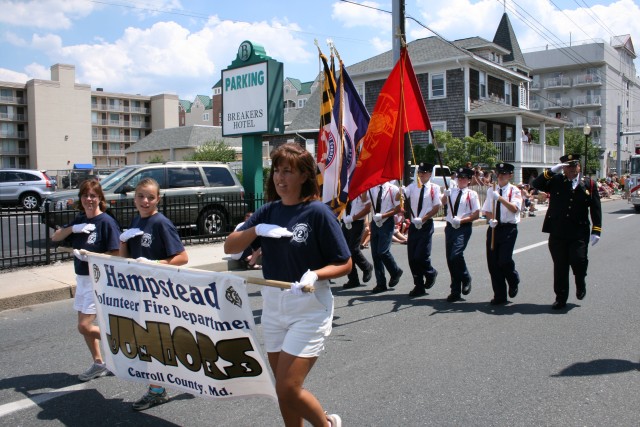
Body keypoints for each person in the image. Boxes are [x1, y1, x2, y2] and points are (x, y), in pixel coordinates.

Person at [223, 143, 350, 427]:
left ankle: (326, 425)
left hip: (308, 306)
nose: (280, 178)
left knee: (287, 388)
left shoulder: (317, 212)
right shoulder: (267, 212)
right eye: (277, 171)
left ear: (304, 176)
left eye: (288, 172)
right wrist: (256, 229)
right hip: (272, 306)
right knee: (283, 389)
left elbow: (345, 262)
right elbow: (230, 245)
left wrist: (316, 274)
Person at [119, 177, 189, 411]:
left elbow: (182, 257)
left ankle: (157, 391)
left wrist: (154, 263)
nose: (145, 200)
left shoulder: (161, 223)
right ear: (134, 198)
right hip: (140, 292)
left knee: (152, 343)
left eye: (150, 197)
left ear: (158, 198)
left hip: (159, 294)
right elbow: (125, 259)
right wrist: (122, 241)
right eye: (141, 196)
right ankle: (189, 371)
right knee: (153, 342)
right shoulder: (137, 220)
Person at [52, 179, 121, 382]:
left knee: (84, 326)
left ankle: (120, 342)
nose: (89, 199)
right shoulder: (80, 220)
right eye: (85, 196)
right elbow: (56, 237)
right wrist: (73, 229)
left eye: (93, 196)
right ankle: (99, 363)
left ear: (100, 198)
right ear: (80, 199)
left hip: (98, 281)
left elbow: (117, 254)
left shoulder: (106, 222)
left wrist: (90, 256)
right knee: (84, 327)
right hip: (82, 279)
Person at [531, 154, 602, 310]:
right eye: (567, 166)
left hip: (579, 232)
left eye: (573, 166)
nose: (571, 169)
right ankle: (561, 298)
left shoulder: (589, 184)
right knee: (560, 266)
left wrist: (596, 230)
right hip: (558, 231)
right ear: (563, 169)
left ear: (579, 167)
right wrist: (551, 171)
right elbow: (536, 183)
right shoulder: (556, 181)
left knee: (579, 260)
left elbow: (595, 208)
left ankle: (580, 281)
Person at [482, 163, 522, 305]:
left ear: (510, 175)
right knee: (493, 264)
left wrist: (500, 198)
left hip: (508, 229)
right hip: (494, 228)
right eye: (499, 173)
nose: (500, 176)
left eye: (504, 173)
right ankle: (500, 295)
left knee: (504, 260)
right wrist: (490, 219)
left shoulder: (514, 191)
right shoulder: (491, 189)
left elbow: (515, 209)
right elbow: (487, 209)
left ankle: (513, 279)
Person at [442, 167, 480, 302]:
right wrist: (445, 196)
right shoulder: (451, 191)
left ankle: (466, 277)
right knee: (450, 259)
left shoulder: (471, 194)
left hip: (463, 227)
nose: (461, 180)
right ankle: (455, 290)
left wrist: (462, 220)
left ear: (469, 180)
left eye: (464, 178)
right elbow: (442, 203)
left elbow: (476, 214)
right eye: (459, 177)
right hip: (450, 227)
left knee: (456, 254)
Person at [404, 162, 442, 297]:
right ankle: (418, 285)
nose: (421, 175)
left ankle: (431, 272)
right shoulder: (412, 187)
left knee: (421, 255)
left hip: (425, 225)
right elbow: (400, 199)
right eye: (420, 172)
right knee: (412, 257)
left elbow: (436, 207)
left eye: (424, 172)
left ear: (430, 174)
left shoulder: (434, 188)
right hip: (414, 225)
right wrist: (400, 192)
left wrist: (423, 218)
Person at [368, 181, 404, 294]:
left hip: (386, 221)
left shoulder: (392, 189)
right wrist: (364, 187)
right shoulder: (373, 188)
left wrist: (383, 215)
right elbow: (365, 201)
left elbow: (398, 208)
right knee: (375, 254)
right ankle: (380, 283)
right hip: (375, 222)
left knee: (383, 251)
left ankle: (395, 271)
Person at [341, 192, 374, 289]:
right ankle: (353, 279)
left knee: (353, 249)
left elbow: (368, 208)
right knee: (346, 252)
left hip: (357, 222)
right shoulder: (344, 189)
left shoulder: (362, 190)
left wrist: (353, 218)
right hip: (345, 221)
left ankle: (367, 267)